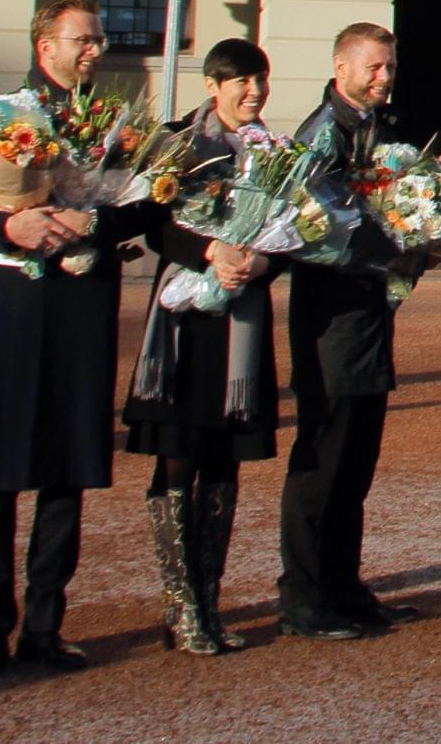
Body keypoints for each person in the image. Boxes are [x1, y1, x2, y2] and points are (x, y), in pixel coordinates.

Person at [0, 0, 152, 679]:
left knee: (66, 465)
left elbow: (139, 206)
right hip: (10, 301)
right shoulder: (3, 115)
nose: (95, 48)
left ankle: (45, 623)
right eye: (82, 39)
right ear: (46, 46)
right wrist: (12, 226)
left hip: (80, 304)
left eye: (98, 38)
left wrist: (89, 224)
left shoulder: (113, 122)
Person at [122, 39, 278, 655]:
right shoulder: (177, 141)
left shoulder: (273, 150)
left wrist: (260, 259)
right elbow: (154, 223)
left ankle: (208, 604)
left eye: (260, 81)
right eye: (241, 81)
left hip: (243, 314)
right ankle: (180, 606)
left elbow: (296, 227)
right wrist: (210, 251)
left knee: (224, 460)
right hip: (184, 317)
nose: (253, 92)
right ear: (214, 85)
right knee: (179, 454)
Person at [277, 22, 417, 640]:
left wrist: (418, 234)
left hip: (365, 312)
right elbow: (311, 226)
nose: (383, 77)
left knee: (357, 455)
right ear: (341, 67)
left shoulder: (376, 130)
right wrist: (393, 243)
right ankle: (304, 595)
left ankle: (342, 582)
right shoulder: (322, 133)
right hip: (329, 316)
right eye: (373, 67)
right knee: (323, 455)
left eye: (388, 66)